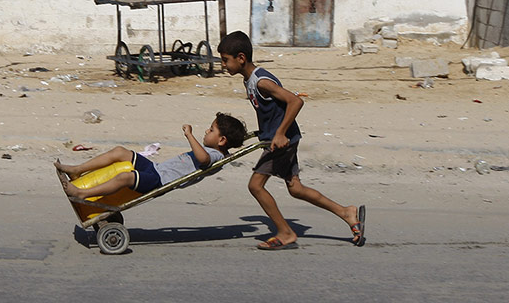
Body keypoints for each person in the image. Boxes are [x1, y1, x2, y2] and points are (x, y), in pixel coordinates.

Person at [217, 30, 366, 250]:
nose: (223, 65)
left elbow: (295, 102)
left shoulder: (261, 82)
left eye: (225, 60)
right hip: (278, 138)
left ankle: (286, 233)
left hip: (282, 141)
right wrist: (265, 132)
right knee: (295, 189)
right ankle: (346, 212)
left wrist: (279, 133)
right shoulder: (249, 80)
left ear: (241, 58)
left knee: (256, 186)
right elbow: (272, 111)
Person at [55, 112, 247, 199]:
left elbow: (203, 160)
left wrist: (190, 135)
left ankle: (81, 193)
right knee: (120, 152)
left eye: (211, 130)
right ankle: (77, 170)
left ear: (221, 140)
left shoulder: (215, 156)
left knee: (125, 177)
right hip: (156, 170)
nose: (207, 131)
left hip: (159, 181)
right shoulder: (213, 151)